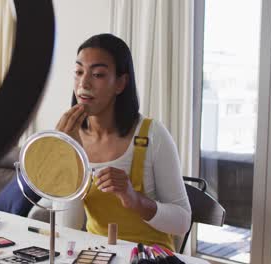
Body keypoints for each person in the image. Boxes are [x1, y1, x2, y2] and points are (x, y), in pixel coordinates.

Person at [55, 33, 191, 250]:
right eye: (79, 72)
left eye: (98, 74)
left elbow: (182, 222)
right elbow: (67, 225)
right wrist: (72, 157)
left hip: (150, 256)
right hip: (97, 254)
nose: (84, 83)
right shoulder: (71, 135)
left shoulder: (152, 135)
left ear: (120, 83)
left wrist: (134, 200)